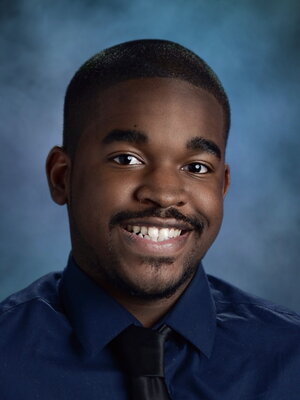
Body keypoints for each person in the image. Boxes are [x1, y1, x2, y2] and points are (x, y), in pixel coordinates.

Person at [0, 39, 299, 399]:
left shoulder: (289, 358)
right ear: (62, 177)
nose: (165, 193)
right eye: (127, 159)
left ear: (223, 187)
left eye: (196, 167)